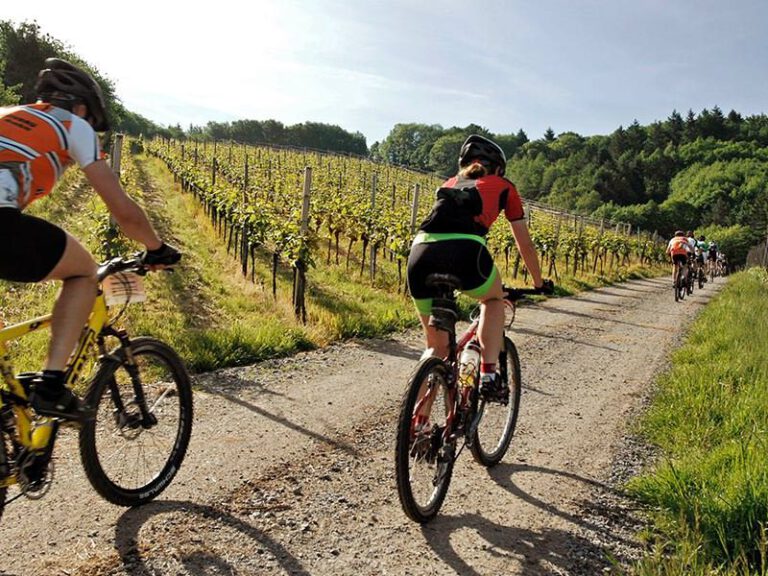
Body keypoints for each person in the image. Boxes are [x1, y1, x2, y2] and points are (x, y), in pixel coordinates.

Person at [0, 58, 180, 420]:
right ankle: (51, 387)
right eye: (93, 123)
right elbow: (123, 210)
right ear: (81, 108)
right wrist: (156, 247)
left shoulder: (7, 112)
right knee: (83, 271)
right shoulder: (71, 124)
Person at [406, 134, 552, 401]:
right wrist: (539, 283)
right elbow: (524, 243)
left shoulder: (449, 183)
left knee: (435, 349)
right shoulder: (503, 185)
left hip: (419, 253)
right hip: (465, 252)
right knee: (494, 300)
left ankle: (420, 428)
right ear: (497, 168)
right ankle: (488, 374)